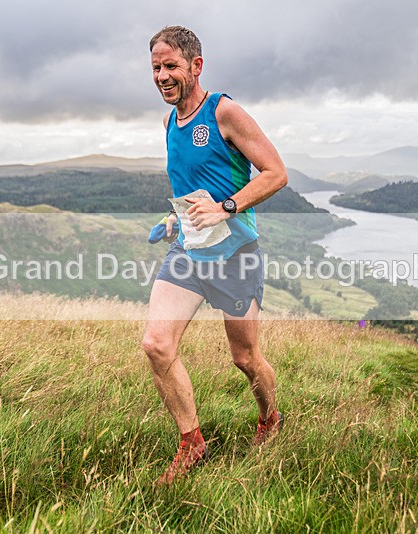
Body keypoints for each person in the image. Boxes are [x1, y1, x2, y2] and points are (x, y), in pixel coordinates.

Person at [143, 26, 288, 485]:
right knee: (156, 344)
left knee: (245, 359)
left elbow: (276, 172)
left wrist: (226, 207)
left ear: (196, 66)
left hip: (235, 254)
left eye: (171, 67)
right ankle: (192, 442)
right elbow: (189, 186)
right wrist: (177, 219)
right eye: (155, 68)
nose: (162, 76)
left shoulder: (224, 111)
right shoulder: (169, 123)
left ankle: (269, 417)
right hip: (188, 253)